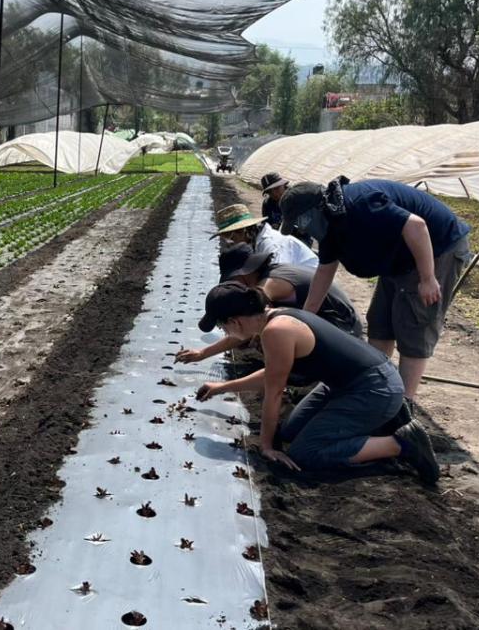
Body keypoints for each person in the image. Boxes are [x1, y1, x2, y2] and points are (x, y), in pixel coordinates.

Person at [193, 282, 438, 483]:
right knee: (289, 431)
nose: (224, 332)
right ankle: (377, 423)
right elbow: (273, 375)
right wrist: (222, 387)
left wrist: (266, 446)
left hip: (374, 389)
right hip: (347, 384)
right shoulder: (276, 316)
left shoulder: (276, 332)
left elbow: (274, 391)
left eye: (221, 325)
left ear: (235, 321)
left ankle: (401, 443)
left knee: (306, 454)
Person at [279, 178, 472, 400]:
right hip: (398, 259)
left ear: (313, 212)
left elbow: (416, 225)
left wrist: (427, 278)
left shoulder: (360, 204)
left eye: (300, 222)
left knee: (414, 324)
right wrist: (305, 318)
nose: (301, 228)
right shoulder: (331, 227)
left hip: (436, 249)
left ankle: (402, 404)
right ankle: (376, 385)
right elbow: (324, 272)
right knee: (380, 322)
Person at [176, 243, 361, 364]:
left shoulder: (270, 285)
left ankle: (300, 373)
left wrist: (203, 354)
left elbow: (245, 325)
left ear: (246, 273)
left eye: (236, 279)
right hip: (333, 324)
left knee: (269, 335)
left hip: (343, 329)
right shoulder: (271, 274)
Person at [212, 203, 317, 268]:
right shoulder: (256, 243)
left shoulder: (271, 245)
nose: (232, 244)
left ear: (244, 231)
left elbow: (277, 279)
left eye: (232, 238)